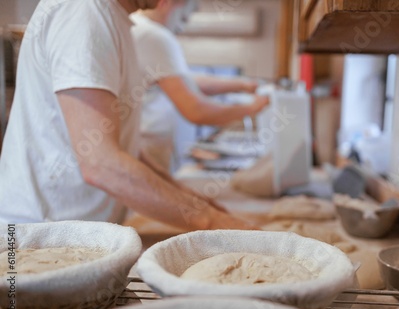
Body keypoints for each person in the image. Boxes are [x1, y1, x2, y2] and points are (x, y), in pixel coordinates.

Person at [0, 0, 255, 231]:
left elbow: (125, 149)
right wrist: (215, 223)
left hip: (73, 231)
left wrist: (199, 205)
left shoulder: (116, 20)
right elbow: (101, 163)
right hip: (39, 235)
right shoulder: (83, 11)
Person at [130, 0, 269, 173]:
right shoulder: (154, 36)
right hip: (146, 148)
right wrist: (251, 108)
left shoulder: (139, 28)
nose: (181, 27)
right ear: (167, 3)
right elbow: (196, 110)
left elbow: (186, 81)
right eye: (183, 17)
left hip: (145, 147)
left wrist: (243, 85)